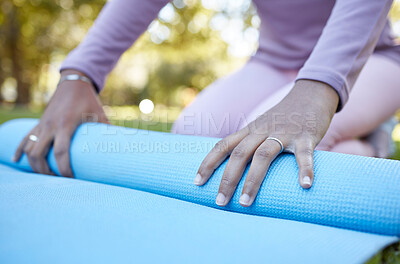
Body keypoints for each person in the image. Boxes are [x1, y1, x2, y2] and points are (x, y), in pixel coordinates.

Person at [13, 0, 400, 208]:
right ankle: (361, 141)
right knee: (195, 138)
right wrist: (80, 74)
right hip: (274, 62)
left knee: (271, 155)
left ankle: (371, 141)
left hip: (369, 61)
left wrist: (318, 89)